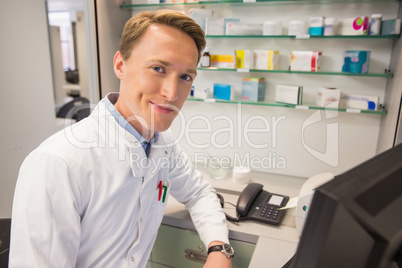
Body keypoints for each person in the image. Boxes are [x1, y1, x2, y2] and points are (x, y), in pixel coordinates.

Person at [9, 9, 233, 268]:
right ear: (120, 65)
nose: (172, 93)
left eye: (185, 77)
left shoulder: (161, 143)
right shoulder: (58, 163)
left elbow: (199, 192)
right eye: (158, 68)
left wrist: (219, 249)